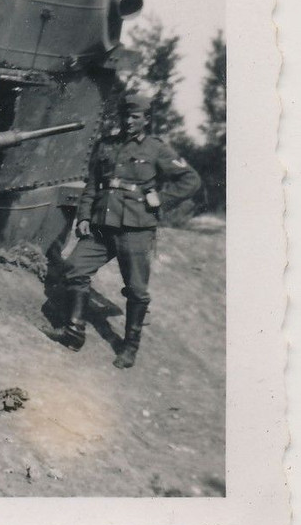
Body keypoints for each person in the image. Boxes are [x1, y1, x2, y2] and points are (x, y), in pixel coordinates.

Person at [57, 92, 201, 368]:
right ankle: (74, 332)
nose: (128, 121)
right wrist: (84, 216)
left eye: (135, 117)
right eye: (125, 115)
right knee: (75, 267)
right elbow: (91, 185)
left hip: (136, 228)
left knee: (136, 290)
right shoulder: (106, 145)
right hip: (101, 225)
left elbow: (190, 180)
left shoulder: (156, 149)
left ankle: (129, 347)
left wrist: (161, 200)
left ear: (146, 120)